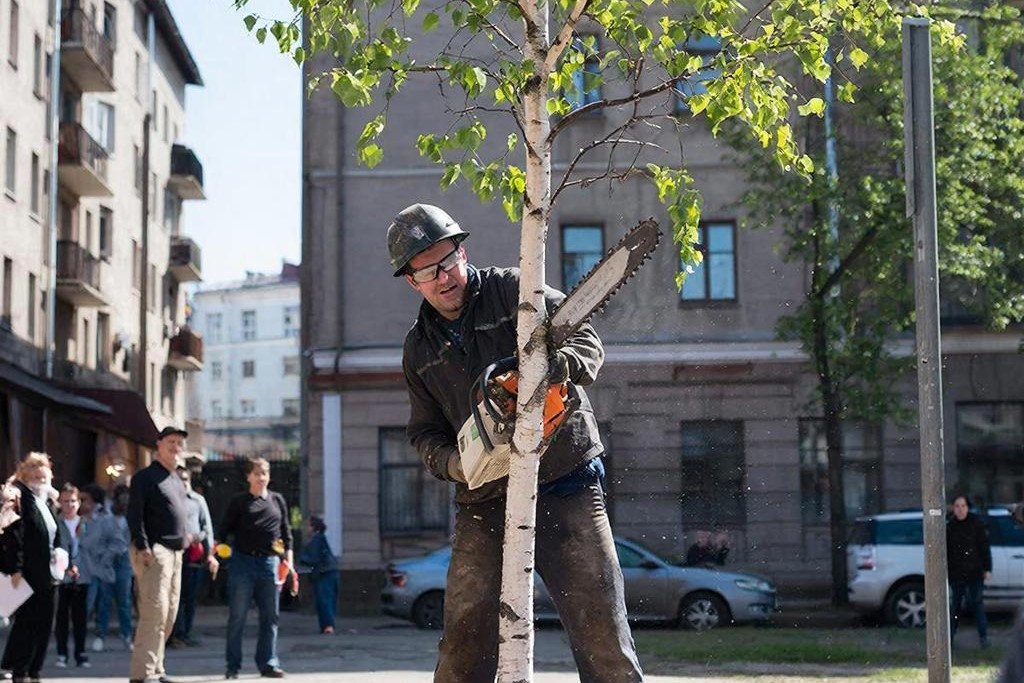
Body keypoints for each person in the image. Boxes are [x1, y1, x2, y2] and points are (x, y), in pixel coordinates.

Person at [387, 203, 643, 682]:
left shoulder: (513, 290)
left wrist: (555, 368)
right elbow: (424, 432)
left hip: (565, 480)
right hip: (483, 500)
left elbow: (585, 338)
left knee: (602, 631)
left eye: (448, 262)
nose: (444, 278)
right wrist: (455, 464)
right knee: (463, 641)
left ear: (463, 252)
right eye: (428, 272)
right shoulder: (418, 349)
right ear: (411, 281)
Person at [127, 426, 191, 683]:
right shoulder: (145, 477)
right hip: (154, 552)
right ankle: (142, 674)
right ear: (159, 444)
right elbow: (135, 515)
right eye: (171, 442)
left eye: (179, 443)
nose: (176, 447)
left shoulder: (176, 478)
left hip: (176, 554)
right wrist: (142, 546)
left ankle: (156, 668)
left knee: (169, 615)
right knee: (154, 613)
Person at [219, 457, 292, 679]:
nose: (262, 477)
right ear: (248, 476)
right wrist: (223, 556)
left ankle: (268, 663)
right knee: (237, 617)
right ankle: (233, 666)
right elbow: (223, 532)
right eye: (257, 473)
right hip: (243, 563)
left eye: (265, 473)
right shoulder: (239, 501)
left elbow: (286, 535)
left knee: (270, 617)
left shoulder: (278, 500)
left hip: (270, 564)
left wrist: (288, 562)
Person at [1, 453, 61, 683]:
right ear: (25, 475)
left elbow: (57, 532)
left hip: (50, 571)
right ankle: (20, 670)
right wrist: (15, 568)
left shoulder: (46, 500)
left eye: (44, 474)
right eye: (35, 474)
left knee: (46, 623)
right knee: (28, 622)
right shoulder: (18, 497)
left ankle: (35, 669)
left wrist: (65, 556)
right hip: (27, 571)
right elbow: (13, 535)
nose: (40, 478)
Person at [169, 465, 217, 648]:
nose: (183, 483)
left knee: (189, 597)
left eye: (185, 479)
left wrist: (208, 552)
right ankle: (172, 634)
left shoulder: (198, 501)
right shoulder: (169, 499)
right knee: (174, 596)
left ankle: (184, 633)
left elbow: (207, 528)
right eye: (178, 479)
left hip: (193, 554)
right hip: (173, 552)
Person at [78, 483, 121, 654]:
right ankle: (81, 634)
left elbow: (115, 541)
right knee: (86, 602)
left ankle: (100, 634)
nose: (81, 503)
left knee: (103, 601)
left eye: (85, 500)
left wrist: (106, 558)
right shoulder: (80, 518)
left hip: (101, 566)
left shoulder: (105, 518)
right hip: (85, 566)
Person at [947, 494, 992, 649]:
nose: (960, 510)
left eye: (963, 506)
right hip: (956, 573)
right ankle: (949, 639)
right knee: (955, 607)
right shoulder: (950, 526)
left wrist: (987, 568)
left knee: (977, 605)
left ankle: (983, 637)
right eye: (957, 506)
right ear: (953, 508)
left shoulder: (976, 524)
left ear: (968, 507)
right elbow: (946, 552)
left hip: (974, 572)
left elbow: (984, 548)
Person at [54, 483, 91, 669]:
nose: (70, 505)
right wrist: (66, 566)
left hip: (82, 576)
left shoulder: (87, 523)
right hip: (61, 577)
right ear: (60, 502)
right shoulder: (55, 523)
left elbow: (93, 547)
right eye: (66, 501)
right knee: (61, 618)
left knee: (80, 618)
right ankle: (62, 654)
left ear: (79, 502)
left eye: (73, 501)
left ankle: (81, 654)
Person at [298, 514, 338, 634]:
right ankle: (328, 625)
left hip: (324, 573)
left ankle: (328, 626)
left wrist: (302, 558)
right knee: (329, 599)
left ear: (313, 527)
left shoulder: (317, 540)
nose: (306, 528)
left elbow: (313, 559)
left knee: (324, 600)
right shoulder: (321, 538)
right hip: (330, 571)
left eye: (308, 526)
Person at [106, 484, 135, 651]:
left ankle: (127, 634)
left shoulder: (132, 513)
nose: (125, 499)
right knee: (105, 598)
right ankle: (101, 633)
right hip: (109, 556)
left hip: (126, 556)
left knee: (124, 599)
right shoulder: (108, 512)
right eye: (122, 496)